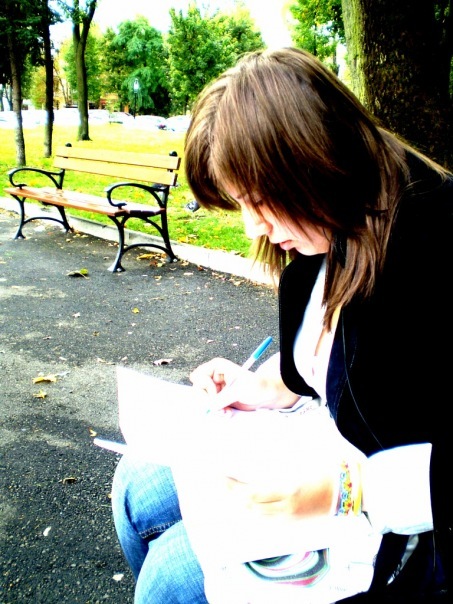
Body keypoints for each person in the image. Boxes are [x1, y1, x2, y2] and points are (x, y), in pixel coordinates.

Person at [111, 47, 452, 603]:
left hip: (393, 514)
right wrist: (265, 385)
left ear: (314, 161)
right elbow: (323, 355)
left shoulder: (432, 248)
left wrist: (343, 492)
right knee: (134, 486)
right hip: (314, 448)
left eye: (260, 201)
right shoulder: (326, 229)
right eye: (239, 204)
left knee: (169, 580)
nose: (254, 227)